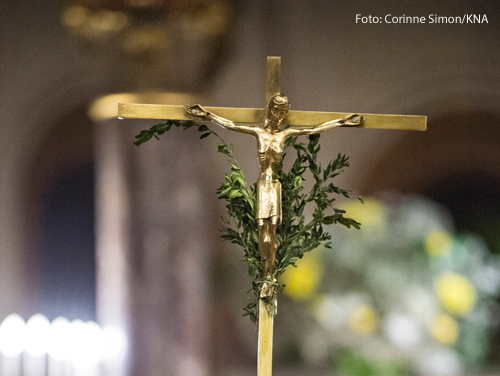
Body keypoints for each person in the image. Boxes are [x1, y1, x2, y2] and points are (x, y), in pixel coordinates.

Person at [185, 94, 363, 297]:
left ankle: (271, 276)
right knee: (262, 228)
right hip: (263, 185)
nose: (278, 116)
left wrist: (341, 122)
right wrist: (207, 114)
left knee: (274, 227)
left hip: (275, 185)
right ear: (269, 110)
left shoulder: (284, 135)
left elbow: (313, 129)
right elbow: (231, 124)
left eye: (283, 112)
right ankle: (265, 274)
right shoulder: (258, 132)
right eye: (276, 110)